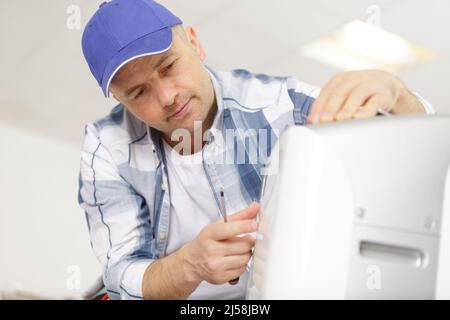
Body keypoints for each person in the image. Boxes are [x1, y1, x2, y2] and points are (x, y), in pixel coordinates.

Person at [78, 0, 435, 300]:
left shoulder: (280, 105)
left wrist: (398, 95)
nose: (168, 97)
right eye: (139, 93)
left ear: (195, 43)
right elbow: (122, 270)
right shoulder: (106, 149)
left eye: (169, 66)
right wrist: (189, 265)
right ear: (122, 101)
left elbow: (416, 151)